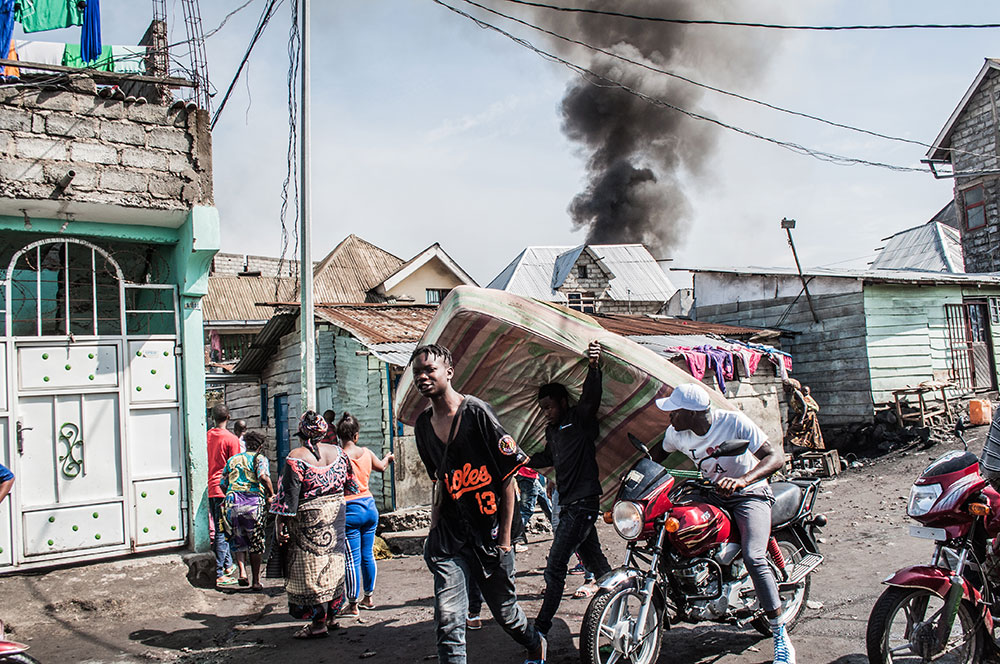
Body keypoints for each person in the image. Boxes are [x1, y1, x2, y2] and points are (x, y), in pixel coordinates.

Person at [411, 343, 546, 664]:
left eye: (430, 369)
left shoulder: (477, 413)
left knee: (506, 614)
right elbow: (441, 483)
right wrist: (433, 531)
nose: (423, 376)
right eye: (417, 372)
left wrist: (505, 542)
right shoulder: (422, 426)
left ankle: (535, 642)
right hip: (450, 539)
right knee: (449, 620)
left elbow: (508, 480)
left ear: (449, 372)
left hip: (491, 535)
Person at [656, 382, 795, 664]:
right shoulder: (676, 433)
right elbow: (654, 457)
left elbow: (775, 456)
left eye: (674, 411)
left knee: (755, 556)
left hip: (748, 494)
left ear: (692, 413)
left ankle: (781, 635)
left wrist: (743, 480)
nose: (669, 416)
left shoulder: (732, 422)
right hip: (709, 492)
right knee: (673, 529)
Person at [526, 340, 612, 637]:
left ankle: (540, 628)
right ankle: (626, 601)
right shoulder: (552, 432)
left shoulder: (579, 421)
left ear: (563, 403)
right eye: (542, 409)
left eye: (549, 407)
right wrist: (525, 459)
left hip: (584, 504)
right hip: (569, 504)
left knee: (555, 565)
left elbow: (591, 396)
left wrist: (594, 366)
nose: (546, 413)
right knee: (597, 563)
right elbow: (550, 458)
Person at [271, 410, 354, 639]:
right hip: (335, 515)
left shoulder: (296, 457)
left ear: (302, 433)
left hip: (307, 521)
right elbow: (351, 485)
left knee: (311, 571)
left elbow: (289, 499)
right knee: (333, 565)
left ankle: (318, 624)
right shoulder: (339, 453)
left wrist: (280, 522)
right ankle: (332, 617)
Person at [337, 412, 395, 617]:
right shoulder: (367, 453)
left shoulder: (338, 457)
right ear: (356, 435)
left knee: (351, 558)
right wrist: (388, 457)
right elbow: (381, 466)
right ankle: (368, 597)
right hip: (369, 506)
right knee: (367, 554)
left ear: (339, 437)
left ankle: (352, 605)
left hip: (349, 509)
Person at [220, 430, 274, 590]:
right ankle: (256, 580)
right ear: (260, 446)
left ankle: (242, 572)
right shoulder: (260, 459)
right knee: (256, 542)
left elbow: (223, 483)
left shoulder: (233, 459)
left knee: (238, 538)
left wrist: (230, 495)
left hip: (233, 502)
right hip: (253, 503)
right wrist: (272, 494)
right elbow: (263, 477)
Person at [207, 403, 241, 588]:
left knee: (221, 528)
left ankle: (228, 566)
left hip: (211, 488)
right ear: (228, 417)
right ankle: (219, 572)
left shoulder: (206, 437)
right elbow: (235, 468)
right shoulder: (232, 439)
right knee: (223, 530)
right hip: (224, 490)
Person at [513, 467, 551, 552]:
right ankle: (514, 540)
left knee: (544, 501)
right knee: (526, 510)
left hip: (527, 474)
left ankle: (558, 529)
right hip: (528, 475)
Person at [783, 380, 824, 451]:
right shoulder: (794, 394)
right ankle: (808, 449)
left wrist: (801, 419)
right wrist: (791, 419)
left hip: (807, 415)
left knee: (794, 432)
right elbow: (799, 409)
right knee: (807, 433)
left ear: (790, 386)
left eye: (785, 386)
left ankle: (806, 449)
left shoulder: (797, 393)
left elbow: (805, 406)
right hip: (803, 414)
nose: (784, 388)